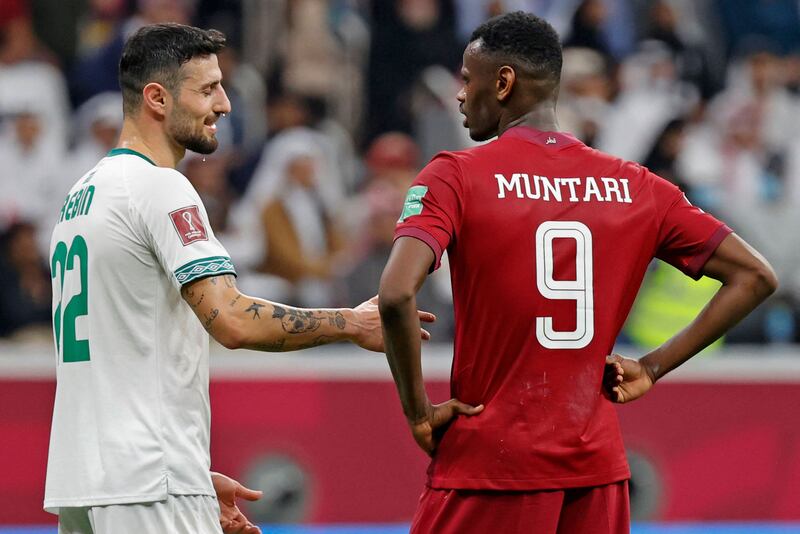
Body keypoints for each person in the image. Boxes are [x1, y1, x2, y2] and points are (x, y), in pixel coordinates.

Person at [378, 11, 777, 534]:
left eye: (465, 79)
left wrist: (417, 412)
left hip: (490, 465)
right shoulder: (636, 185)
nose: (458, 95)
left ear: (502, 82)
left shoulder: (455, 175)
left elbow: (394, 295)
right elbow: (757, 277)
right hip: (596, 473)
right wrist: (652, 367)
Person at [45, 23, 433, 534]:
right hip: (148, 481)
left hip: (85, 481)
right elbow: (231, 320)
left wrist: (194, 477)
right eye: (208, 89)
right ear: (157, 98)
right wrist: (351, 323)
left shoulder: (80, 198)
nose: (225, 104)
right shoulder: (163, 188)